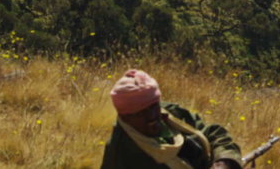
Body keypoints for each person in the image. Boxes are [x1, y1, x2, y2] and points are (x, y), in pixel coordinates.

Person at [101, 69, 243, 169]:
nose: (152, 116)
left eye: (153, 106)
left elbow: (213, 133)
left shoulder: (170, 113)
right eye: (141, 113)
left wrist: (225, 161)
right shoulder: (119, 155)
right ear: (125, 117)